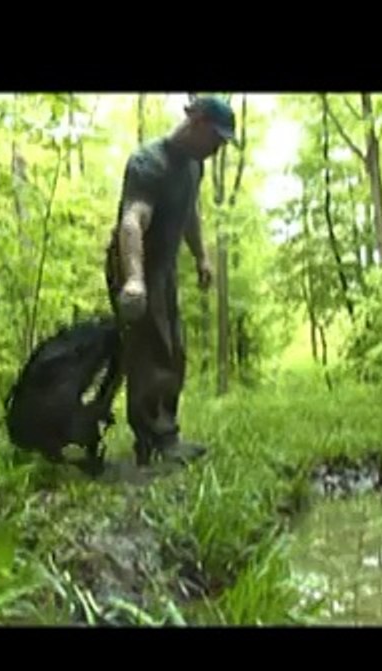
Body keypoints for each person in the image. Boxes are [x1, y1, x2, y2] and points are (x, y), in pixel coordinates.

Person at [105, 95, 236, 467]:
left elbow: (189, 210)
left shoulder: (193, 166)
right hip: (134, 262)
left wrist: (201, 256)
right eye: (217, 139)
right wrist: (133, 280)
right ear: (197, 122)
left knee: (174, 348)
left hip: (163, 268)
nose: (217, 149)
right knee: (154, 348)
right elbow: (132, 220)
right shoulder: (150, 162)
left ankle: (163, 434)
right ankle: (155, 440)